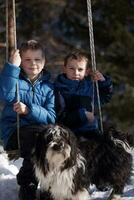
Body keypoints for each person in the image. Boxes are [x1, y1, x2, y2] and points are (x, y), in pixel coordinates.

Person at [0, 40, 56, 200]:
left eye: (37, 59)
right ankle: (28, 185)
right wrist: (12, 67)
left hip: (40, 133)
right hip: (15, 132)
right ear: (20, 61)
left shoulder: (49, 88)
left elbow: (51, 117)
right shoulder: (14, 79)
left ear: (44, 62)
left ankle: (47, 186)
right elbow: (5, 94)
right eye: (27, 59)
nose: (33, 63)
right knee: (37, 141)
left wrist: (29, 110)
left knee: (51, 143)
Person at [54, 51, 113, 138]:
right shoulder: (58, 88)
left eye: (80, 69)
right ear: (64, 69)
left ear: (86, 72)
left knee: (106, 144)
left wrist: (103, 82)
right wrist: (82, 115)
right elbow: (59, 116)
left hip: (90, 130)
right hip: (69, 131)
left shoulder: (89, 88)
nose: (76, 73)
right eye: (71, 69)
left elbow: (105, 97)